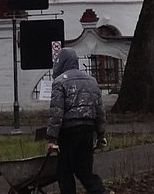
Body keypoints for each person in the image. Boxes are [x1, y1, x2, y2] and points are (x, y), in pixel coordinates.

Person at [46, 46, 108, 194]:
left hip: (69, 132)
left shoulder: (60, 82)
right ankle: (99, 191)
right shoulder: (92, 81)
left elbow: (57, 112)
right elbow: (100, 111)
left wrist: (52, 138)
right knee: (84, 170)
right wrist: (101, 134)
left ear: (61, 63)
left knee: (65, 171)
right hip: (88, 130)